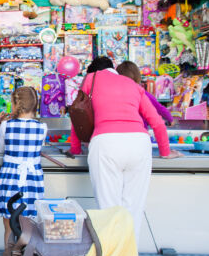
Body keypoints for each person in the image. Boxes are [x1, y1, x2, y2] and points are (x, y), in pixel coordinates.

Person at [69, 56, 182, 242]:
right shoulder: (133, 85)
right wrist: (165, 152)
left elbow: (77, 114)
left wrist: (75, 149)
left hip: (106, 144)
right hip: (139, 144)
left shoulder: (91, 79)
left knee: (108, 210)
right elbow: (157, 123)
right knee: (133, 209)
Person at [0, 87, 47, 248]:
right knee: (28, 224)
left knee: (9, 223)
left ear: (15, 104)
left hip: (10, 177)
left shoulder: (6, 126)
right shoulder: (42, 128)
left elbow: (0, 149)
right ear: (35, 105)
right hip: (32, 179)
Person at [116, 61, 174, 127]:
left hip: (117, 128)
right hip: (139, 129)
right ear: (137, 76)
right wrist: (170, 119)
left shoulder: (114, 94)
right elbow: (159, 108)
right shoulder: (141, 93)